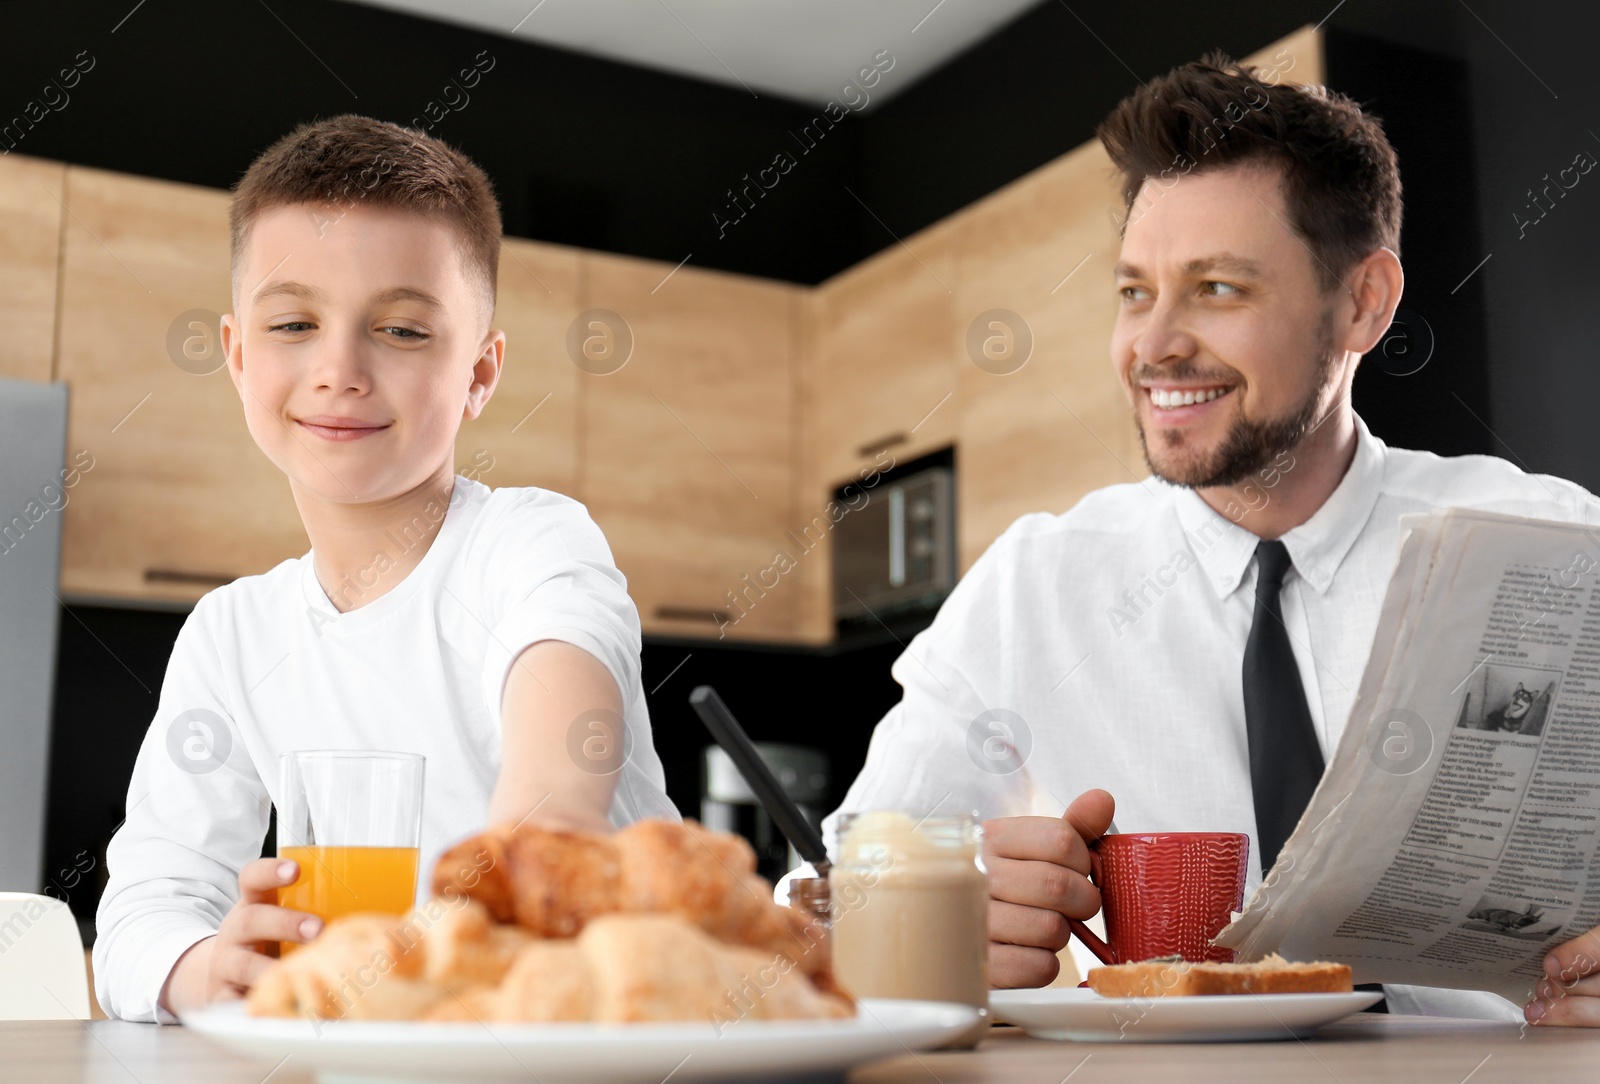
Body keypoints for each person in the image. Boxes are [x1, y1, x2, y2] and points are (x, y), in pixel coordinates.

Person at [817, 52, 1600, 1025]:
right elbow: (838, 881)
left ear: (1363, 302)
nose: (1153, 345)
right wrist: (928, 910)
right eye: (1134, 292)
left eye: (1217, 288)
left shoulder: (1553, 552)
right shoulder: (1035, 584)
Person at [92, 115, 677, 1023]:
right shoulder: (230, 635)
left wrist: (536, 845)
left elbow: (560, 764)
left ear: (479, 373)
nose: (340, 369)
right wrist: (208, 966)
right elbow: (141, 912)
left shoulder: (530, 543)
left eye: (402, 330)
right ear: (239, 356)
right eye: (294, 323)